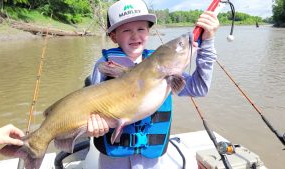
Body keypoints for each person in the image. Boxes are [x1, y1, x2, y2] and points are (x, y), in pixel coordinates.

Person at [85, 0, 219, 168]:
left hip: (152, 161)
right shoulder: (104, 66)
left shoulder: (163, 66)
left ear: (148, 32)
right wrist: (92, 127)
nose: (135, 36)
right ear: (113, 36)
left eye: (141, 29)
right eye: (127, 30)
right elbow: (88, 108)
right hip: (113, 161)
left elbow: (200, 88)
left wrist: (207, 42)